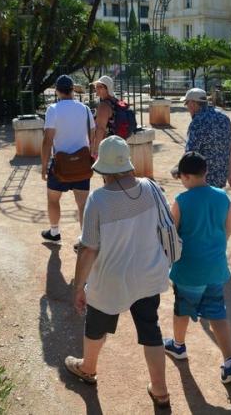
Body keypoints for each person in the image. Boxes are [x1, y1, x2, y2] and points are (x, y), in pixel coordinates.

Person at [65, 136, 171, 409]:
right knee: (151, 329)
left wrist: (79, 287)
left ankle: (88, 369)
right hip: (148, 272)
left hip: (110, 279)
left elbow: (88, 249)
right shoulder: (150, 187)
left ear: (104, 171)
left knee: (97, 326)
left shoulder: (98, 200)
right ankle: (160, 390)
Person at [163, 152, 231, 384]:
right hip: (215, 267)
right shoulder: (223, 197)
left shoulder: (181, 200)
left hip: (188, 269)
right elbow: (228, 229)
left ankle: (178, 345)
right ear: (205, 172)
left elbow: (172, 233)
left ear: (185, 176)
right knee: (217, 312)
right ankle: (230, 361)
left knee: (183, 309)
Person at [40, 74, 95, 244]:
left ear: (57, 91)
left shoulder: (53, 109)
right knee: (83, 204)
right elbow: (92, 136)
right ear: (73, 90)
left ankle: (55, 232)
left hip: (60, 165)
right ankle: (84, 240)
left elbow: (47, 140)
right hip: (82, 165)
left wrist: (43, 166)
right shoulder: (85, 109)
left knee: (53, 199)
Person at [180, 88, 231, 189]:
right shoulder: (224, 117)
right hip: (221, 178)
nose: (187, 107)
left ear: (193, 104)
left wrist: (179, 171)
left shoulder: (197, 122)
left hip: (202, 181)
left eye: (187, 103)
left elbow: (190, 154)